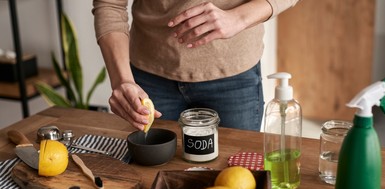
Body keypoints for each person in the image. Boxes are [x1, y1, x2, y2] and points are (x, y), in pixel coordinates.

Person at [92, 0, 300, 131]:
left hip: (234, 77)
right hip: (149, 79)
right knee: (150, 180)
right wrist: (122, 80)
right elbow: (110, 5)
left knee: (235, 178)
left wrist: (238, 18)